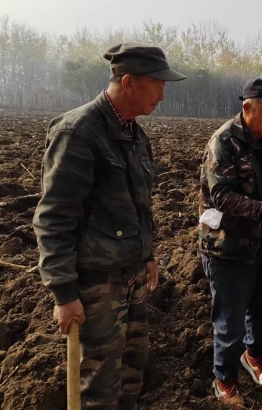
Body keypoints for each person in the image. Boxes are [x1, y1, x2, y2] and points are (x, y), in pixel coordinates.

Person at [33, 43, 185, 409]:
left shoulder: (134, 135)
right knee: (99, 389)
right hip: (96, 289)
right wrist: (64, 293)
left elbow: (138, 207)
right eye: (158, 84)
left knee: (132, 375)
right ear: (129, 82)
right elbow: (55, 217)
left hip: (132, 279)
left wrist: (147, 255)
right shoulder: (79, 133)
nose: (164, 94)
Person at [197, 78, 262, 408]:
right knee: (230, 321)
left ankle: (253, 356)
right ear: (246, 108)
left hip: (261, 243)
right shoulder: (222, 142)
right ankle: (223, 379)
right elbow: (222, 196)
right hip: (228, 246)